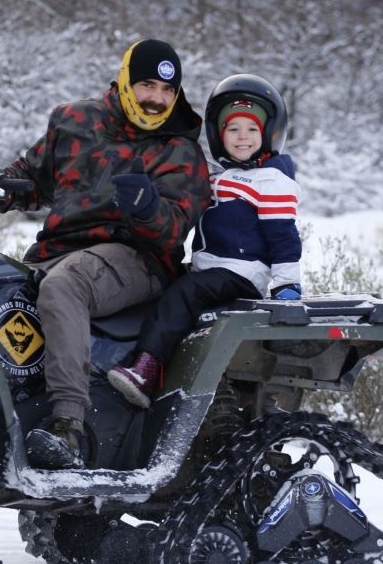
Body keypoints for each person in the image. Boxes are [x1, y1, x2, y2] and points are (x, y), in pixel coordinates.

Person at [0, 39, 211, 469]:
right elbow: (31, 178)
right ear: (125, 81)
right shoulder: (73, 120)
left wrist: (147, 208)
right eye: (147, 85)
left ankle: (67, 425)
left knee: (65, 286)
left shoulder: (180, 150)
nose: (156, 99)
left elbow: (173, 232)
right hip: (59, 250)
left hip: (138, 259)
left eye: (168, 91)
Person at [107, 74, 302, 408]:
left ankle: (146, 368)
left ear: (269, 134)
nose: (243, 138)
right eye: (233, 129)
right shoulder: (220, 175)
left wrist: (287, 286)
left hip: (242, 273)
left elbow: (283, 236)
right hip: (211, 269)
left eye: (252, 129)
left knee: (184, 294)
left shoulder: (272, 181)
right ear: (218, 134)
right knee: (157, 286)